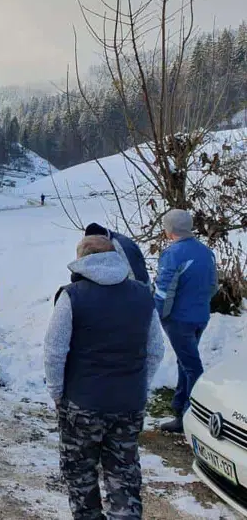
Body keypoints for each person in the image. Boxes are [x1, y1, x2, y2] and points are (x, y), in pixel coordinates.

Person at [45, 236, 165, 520]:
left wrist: (58, 393)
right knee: (123, 472)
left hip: (82, 404)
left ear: (82, 260)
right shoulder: (142, 295)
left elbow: (54, 352)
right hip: (128, 403)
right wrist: (139, 385)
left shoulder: (72, 295)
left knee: (80, 472)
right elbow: (156, 350)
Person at [154, 209, 218, 433]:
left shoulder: (173, 254)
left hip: (179, 319)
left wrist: (158, 316)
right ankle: (181, 412)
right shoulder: (206, 252)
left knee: (192, 367)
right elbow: (213, 286)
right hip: (200, 316)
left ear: (170, 230)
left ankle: (196, 416)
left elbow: (164, 291)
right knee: (186, 363)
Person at [84, 222, 149, 284]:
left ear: (99, 237)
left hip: (138, 289)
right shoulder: (101, 245)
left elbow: (134, 274)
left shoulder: (121, 246)